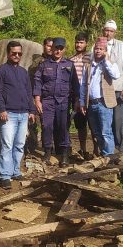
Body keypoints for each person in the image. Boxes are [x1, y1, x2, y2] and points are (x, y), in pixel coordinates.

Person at [0, 41, 36, 189]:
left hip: (23, 114)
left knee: (19, 145)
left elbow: (28, 92)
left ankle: (15, 171)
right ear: (8, 53)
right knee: (7, 145)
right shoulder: (0, 71)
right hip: (9, 114)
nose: (17, 56)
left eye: (19, 53)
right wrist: (1, 109)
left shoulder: (23, 72)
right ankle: (4, 175)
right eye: (14, 53)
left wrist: (31, 111)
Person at [33, 37, 79, 166]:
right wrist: (37, 99)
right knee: (46, 126)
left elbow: (75, 84)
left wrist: (76, 100)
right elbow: (37, 82)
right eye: (56, 48)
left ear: (64, 49)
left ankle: (64, 155)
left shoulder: (69, 65)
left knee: (63, 127)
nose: (58, 51)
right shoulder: (44, 65)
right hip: (47, 101)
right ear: (51, 48)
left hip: (63, 101)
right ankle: (47, 152)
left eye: (60, 48)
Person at [79, 37, 120, 156]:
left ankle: (109, 157)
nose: (98, 51)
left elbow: (116, 75)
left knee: (106, 132)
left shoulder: (109, 63)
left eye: (101, 49)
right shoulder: (88, 64)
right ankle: (104, 154)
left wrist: (106, 60)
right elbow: (83, 84)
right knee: (96, 132)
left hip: (104, 103)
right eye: (96, 48)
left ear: (105, 51)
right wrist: (82, 102)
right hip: (91, 103)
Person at [103, 20, 123, 153]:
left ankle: (120, 148)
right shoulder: (97, 45)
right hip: (103, 89)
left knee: (118, 119)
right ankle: (106, 148)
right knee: (104, 119)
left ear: (115, 32)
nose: (108, 33)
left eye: (111, 31)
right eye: (106, 30)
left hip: (118, 87)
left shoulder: (121, 46)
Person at [69, 32, 92, 159]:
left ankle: (96, 150)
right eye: (77, 42)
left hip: (90, 96)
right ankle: (83, 149)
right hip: (76, 97)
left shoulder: (91, 57)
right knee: (81, 125)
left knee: (94, 125)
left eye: (81, 42)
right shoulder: (71, 60)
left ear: (86, 43)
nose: (78, 44)